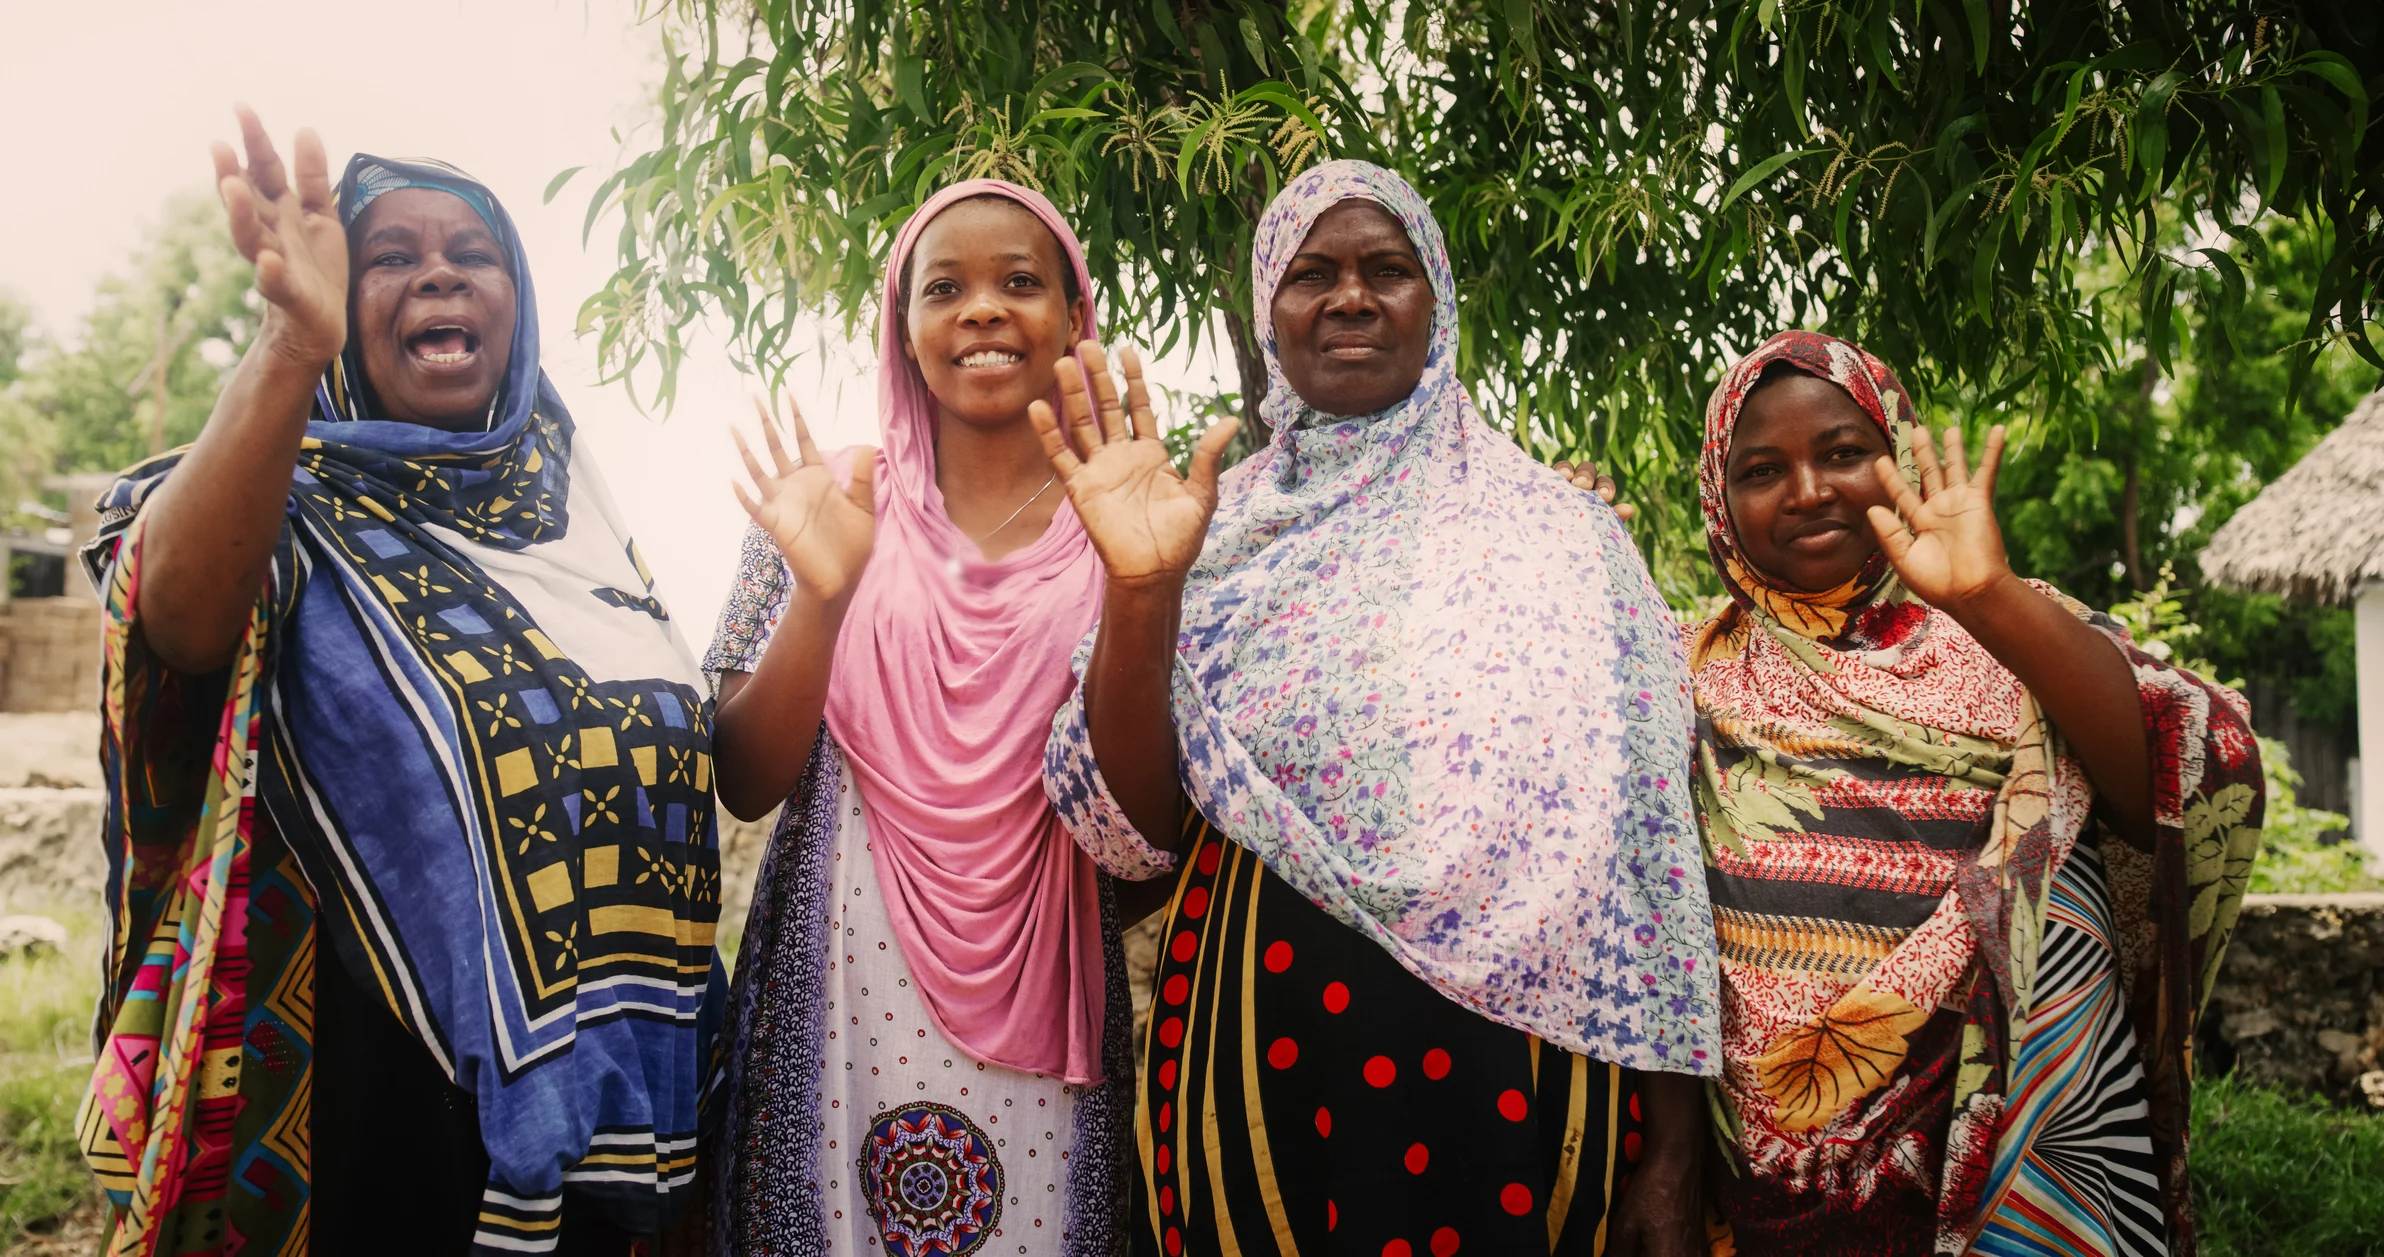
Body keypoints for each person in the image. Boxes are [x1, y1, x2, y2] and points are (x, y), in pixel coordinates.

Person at [1035, 159, 1718, 1255]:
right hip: (1263, 1046)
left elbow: (1650, 856)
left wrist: (1673, 1154)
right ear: (1269, 314)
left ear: (1434, 304)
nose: (1349, 296)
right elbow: (1134, 829)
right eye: (1311, 272)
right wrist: (1143, 589)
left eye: (1385, 269)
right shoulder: (1207, 534)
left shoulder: (1568, 542)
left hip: (1536, 1068)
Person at [77, 111, 725, 1254]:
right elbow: (171, 619)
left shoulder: (584, 537)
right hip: (351, 1099)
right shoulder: (287, 494)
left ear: (514, 307)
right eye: (393, 257)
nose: (438, 273)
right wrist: (287, 345)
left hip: (607, 1142)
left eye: (472, 255)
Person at [1686, 330, 2263, 1254]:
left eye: (1843, 453)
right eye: (1761, 469)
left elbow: (2182, 773)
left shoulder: (2009, 628)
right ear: (1720, 495)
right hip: (1766, 1183)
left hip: (2016, 1159)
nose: (1808, 490)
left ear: (1898, 454)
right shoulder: (1691, 672)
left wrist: (1986, 595)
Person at [703, 179, 1133, 1255]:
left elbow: (1151, 828)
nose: (981, 310)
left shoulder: (1124, 516)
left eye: (1019, 283)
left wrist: (1144, 585)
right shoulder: (831, 498)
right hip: (840, 982)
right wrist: (822, 593)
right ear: (902, 329)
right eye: (943, 288)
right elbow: (743, 777)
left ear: (1075, 318)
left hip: (1053, 1000)